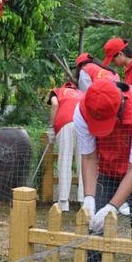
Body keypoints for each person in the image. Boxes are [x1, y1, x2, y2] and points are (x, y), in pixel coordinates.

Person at [74, 79, 132, 242]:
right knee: (94, 223)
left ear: (119, 107)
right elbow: (89, 157)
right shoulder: (81, 111)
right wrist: (88, 198)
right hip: (108, 166)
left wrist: (113, 207)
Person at [47, 75, 83, 212]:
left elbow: (55, 104)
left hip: (65, 125)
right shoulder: (82, 93)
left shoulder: (57, 91)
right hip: (83, 126)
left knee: (65, 161)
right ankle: (84, 201)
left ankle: (63, 202)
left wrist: (51, 127)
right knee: (83, 164)